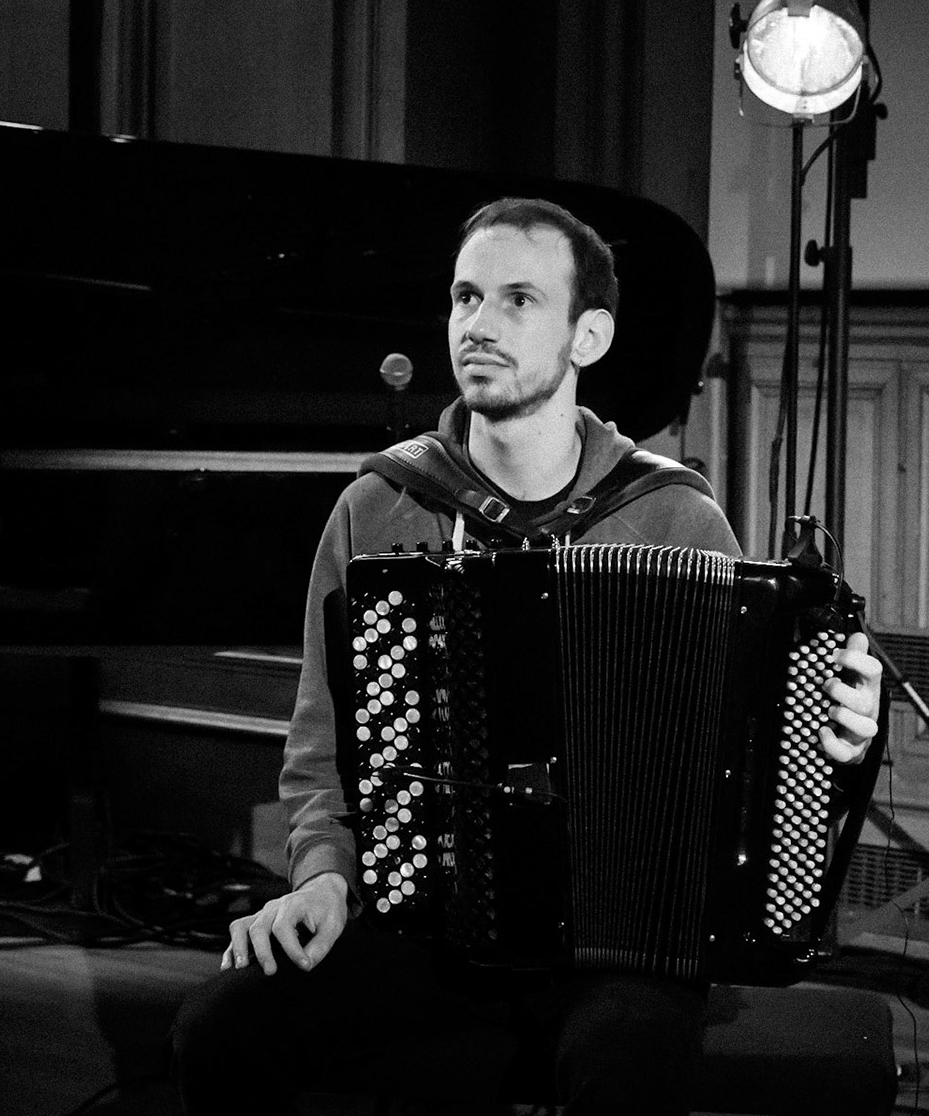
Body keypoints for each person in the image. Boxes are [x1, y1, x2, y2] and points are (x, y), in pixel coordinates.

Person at [169, 198, 883, 1114]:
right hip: (423, 923)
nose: (478, 325)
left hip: (623, 945)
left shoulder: (675, 518)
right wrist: (323, 877)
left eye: (517, 301)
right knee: (217, 1032)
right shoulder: (380, 506)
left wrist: (832, 740)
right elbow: (321, 749)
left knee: (620, 1062)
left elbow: (741, 762)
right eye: (467, 298)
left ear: (588, 336)